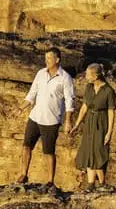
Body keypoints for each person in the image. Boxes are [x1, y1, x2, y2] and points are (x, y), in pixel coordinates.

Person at [17, 47, 74, 188]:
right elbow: (32, 94)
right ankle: (23, 174)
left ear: (57, 60)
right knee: (26, 146)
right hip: (35, 116)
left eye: (49, 58)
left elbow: (69, 100)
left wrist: (68, 121)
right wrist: (20, 108)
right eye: (46, 58)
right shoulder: (40, 73)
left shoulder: (65, 78)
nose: (46, 60)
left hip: (51, 120)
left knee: (48, 152)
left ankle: (50, 180)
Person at [71, 63, 116, 188]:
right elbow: (84, 107)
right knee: (88, 150)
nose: (86, 76)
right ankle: (91, 183)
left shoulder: (108, 91)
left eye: (88, 74)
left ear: (95, 76)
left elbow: (111, 112)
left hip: (101, 123)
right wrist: (77, 124)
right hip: (90, 122)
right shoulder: (89, 88)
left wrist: (109, 132)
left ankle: (102, 183)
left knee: (98, 152)